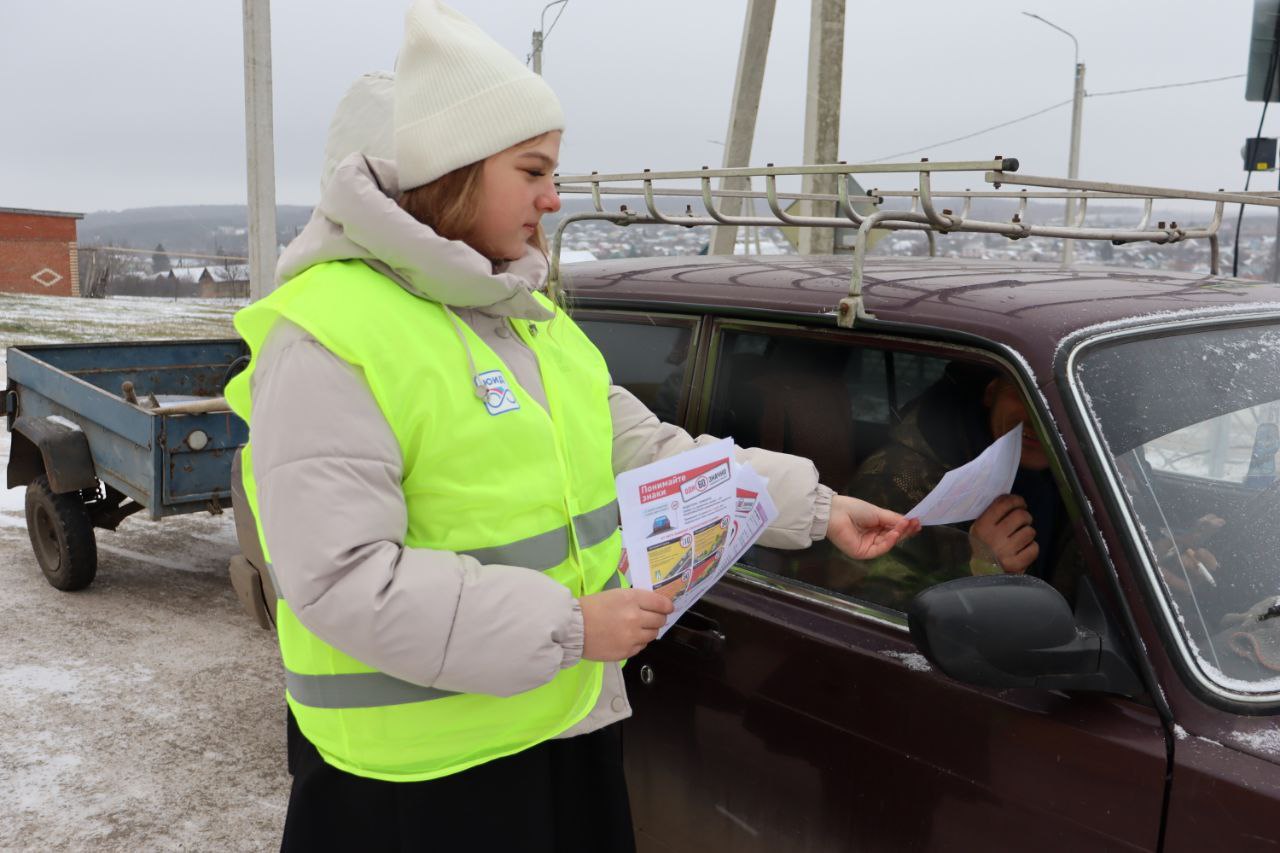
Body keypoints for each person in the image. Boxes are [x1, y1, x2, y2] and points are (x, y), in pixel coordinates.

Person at [223, 3, 918, 850]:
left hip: (560, 726)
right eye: (533, 170)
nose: (553, 198)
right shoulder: (327, 335)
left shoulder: (526, 322)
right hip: (417, 784)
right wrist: (571, 626)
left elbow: (650, 453)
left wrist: (818, 507)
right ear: (452, 171)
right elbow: (344, 579)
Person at [849, 363, 1081, 610]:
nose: (1040, 419)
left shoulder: (1087, 470)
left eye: (1062, 405)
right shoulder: (897, 479)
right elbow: (866, 609)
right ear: (991, 392)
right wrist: (980, 567)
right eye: (1024, 395)